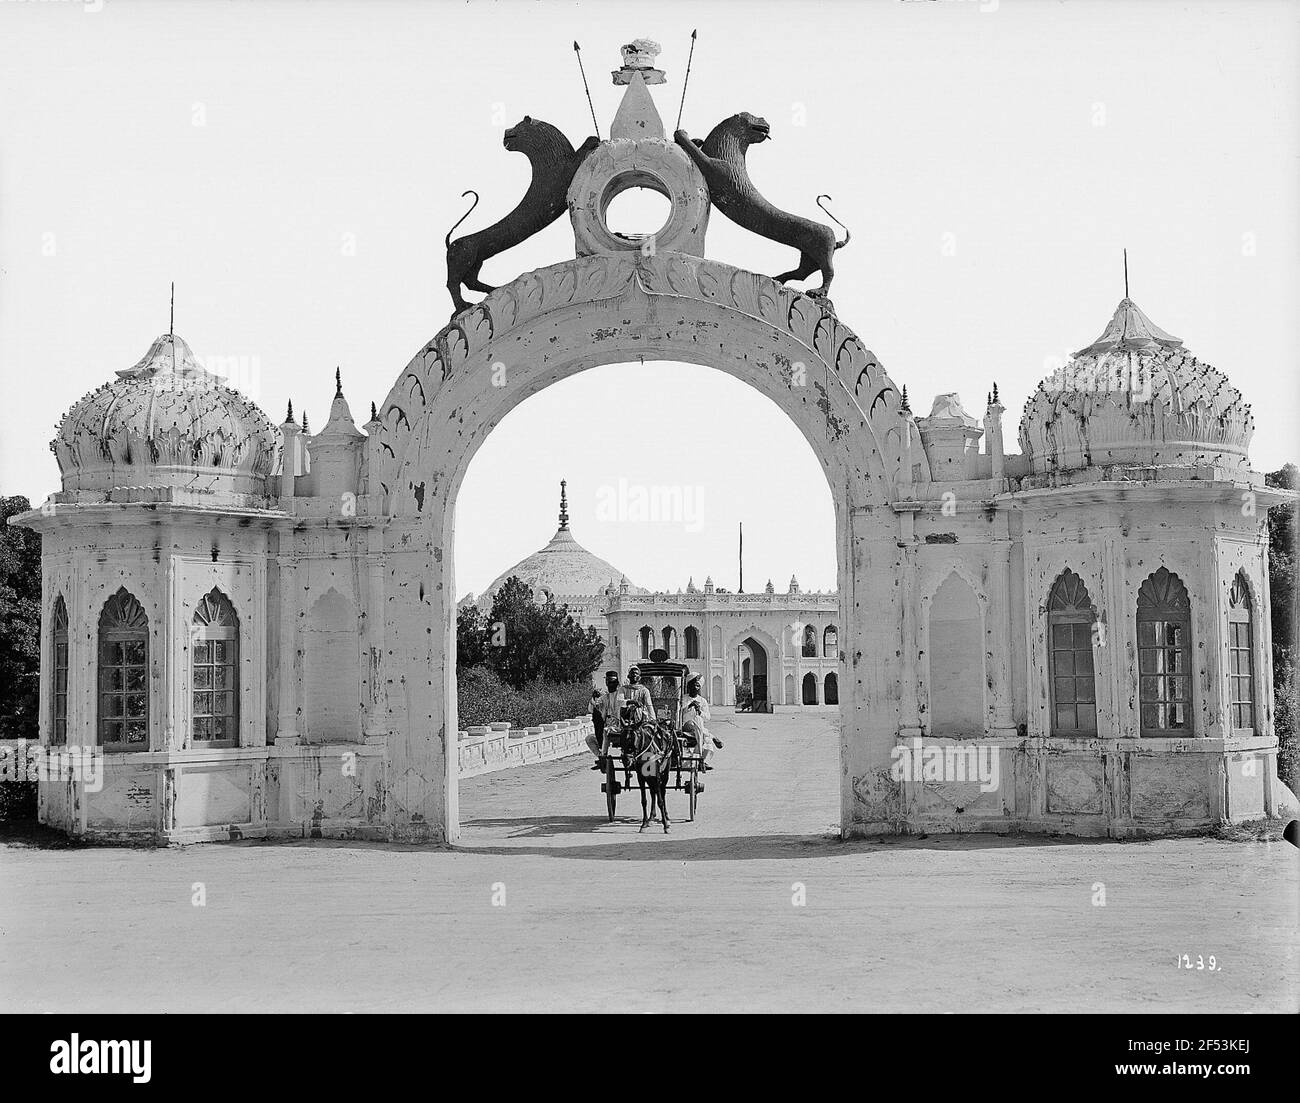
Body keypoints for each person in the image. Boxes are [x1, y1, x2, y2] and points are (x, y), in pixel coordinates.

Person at [680, 674, 723, 773]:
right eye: (693, 685)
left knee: (706, 740)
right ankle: (712, 737)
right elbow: (679, 715)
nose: (695, 687)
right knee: (695, 723)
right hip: (686, 727)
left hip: (699, 730)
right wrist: (689, 707)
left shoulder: (702, 701)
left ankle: (700, 760)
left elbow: (707, 718)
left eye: (697, 685)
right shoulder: (683, 699)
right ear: (689, 686)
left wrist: (699, 711)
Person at [586, 670, 624, 769]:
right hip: (608, 727)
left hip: (622, 726)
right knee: (589, 739)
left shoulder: (621, 695)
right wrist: (593, 698)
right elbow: (592, 709)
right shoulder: (604, 698)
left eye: (613, 682)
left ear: (617, 683)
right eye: (608, 682)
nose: (610, 684)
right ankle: (602, 757)